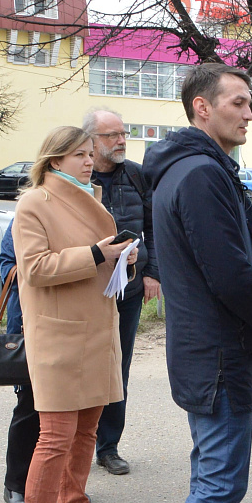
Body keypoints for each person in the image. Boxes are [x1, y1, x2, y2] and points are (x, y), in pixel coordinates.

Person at [142, 63, 252, 503]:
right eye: (237, 103)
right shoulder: (201, 173)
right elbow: (231, 277)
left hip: (205, 352)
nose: (248, 115)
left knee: (208, 476)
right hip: (217, 359)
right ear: (202, 108)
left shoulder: (188, 168)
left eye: (249, 104)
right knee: (219, 488)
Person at [12, 126, 138, 503]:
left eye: (89, 153)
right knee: (55, 438)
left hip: (97, 330)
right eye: (79, 155)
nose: (89, 161)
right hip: (59, 335)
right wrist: (98, 255)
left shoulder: (92, 199)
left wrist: (123, 261)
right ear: (55, 161)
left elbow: (101, 263)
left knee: (86, 433)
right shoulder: (35, 202)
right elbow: (33, 268)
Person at [83, 108, 160, 476]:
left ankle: (108, 446)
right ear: (91, 141)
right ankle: (77, 443)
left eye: (123, 133)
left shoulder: (135, 175)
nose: (121, 141)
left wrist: (152, 272)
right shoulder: (76, 176)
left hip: (127, 287)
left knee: (118, 366)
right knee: (82, 366)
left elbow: (153, 226)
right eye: (111, 135)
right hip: (85, 290)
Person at [0, 218, 37, 503]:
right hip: (29, 323)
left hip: (72, 325)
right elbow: (7, 267)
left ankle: (58, 482)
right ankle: (16, 482)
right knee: (30, 405)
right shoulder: (24, 217)